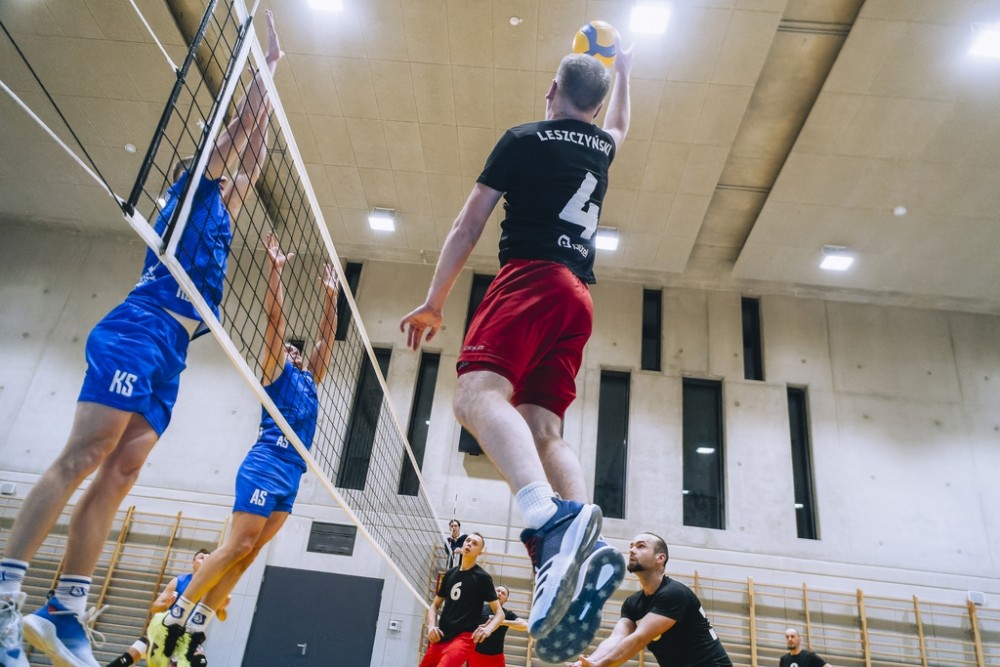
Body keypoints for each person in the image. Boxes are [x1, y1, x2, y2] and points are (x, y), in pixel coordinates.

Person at [0, 12, 282, 667]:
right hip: (141, 326)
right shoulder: (190, 191)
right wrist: (262, 73)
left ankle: (64, 608)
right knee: (85, 453)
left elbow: (256, 157)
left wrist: (271, 100)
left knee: (121, 472)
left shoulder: (220, 211)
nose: (233, 179)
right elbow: (238, 135)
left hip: (173, 351)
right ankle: (6, 595)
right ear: (202, 170)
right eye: (223, 171)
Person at [399, 43, 634, 661]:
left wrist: (434, 300)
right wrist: (625, 71)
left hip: (530, 277)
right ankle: (581, 541)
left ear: (552, 91)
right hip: (578, 295)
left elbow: (468, 224)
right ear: (597, 105)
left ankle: (547, 519)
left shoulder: (524, 138)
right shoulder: (603, 147)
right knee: (542, 429)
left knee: (474, 397)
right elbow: (620, 125)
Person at [148, 232, 339, 667]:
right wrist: (275, 271)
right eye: (287, 348)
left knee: (249, 555)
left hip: (292, 473)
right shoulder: (274, 374)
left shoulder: (310, 380)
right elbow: (274, 322)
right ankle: (176, 616)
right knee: (238, 545)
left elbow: (327, 340)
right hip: (265, 463)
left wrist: (331, 300)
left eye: (295, 349)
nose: (291, 350)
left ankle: (196, 626)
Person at [565, 533, 732, 667]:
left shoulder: (674, 593)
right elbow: (616, 638)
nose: (632, 550)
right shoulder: (632, 603)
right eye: (631, 546)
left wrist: (600, 665)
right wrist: (588, 662)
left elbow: (640, 639)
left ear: (660, 558)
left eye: (641, 546)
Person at [104, 549, 228, 667]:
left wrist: (221, 609)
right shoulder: (178, 581)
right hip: (165, 631)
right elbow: (154, 607)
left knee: (200, 662)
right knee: (129, 656)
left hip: (188, 637)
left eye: (208, 558)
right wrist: (165, 605)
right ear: (193, 563)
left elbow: (222, 617)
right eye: (201, 557)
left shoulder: (213, 588)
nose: (205, 560)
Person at [420, 533, 503, 667]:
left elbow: (500, 613)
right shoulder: (450, 574)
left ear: (480, 552)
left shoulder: (482, 577)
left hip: (463, 638)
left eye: (474, 543)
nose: (469, 543)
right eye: (467, 540)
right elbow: (434, 606)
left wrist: (489, 629)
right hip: (442, 637)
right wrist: (431, 626)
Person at [469, 584, 527, 667]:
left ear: (506, 599)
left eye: (503, 593)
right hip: (476, 655)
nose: (499, 594)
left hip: (496, 657)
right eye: (498, 591)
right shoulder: (480, 608)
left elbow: (525, 625)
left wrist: (501, 621)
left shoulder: (507, 614)